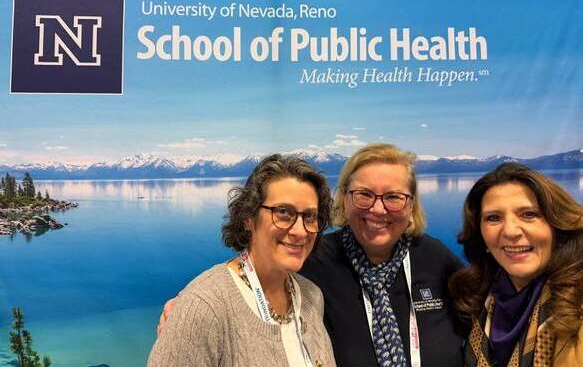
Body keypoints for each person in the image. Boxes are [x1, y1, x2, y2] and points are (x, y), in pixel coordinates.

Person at [157, 144, 466, 367]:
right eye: (364, 195)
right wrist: (189, 308)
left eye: (394, 197)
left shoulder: (434, 258)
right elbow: (240, 281)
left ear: (411, 205)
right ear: (343, 200)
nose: (378, 208)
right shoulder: (317, 259)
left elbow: (485, 299)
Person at [148, 154, 336, 367]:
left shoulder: (312, 296)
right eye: (283, 212)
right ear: (248, 218)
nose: (301, 231)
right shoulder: (204, 307)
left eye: (310, 217)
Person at [449, 162, 583, 367]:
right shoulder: (478, 300)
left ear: (557, 225)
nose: (511, 231)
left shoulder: (576, 303)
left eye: (529, 215)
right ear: (480, 234)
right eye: (494, 218)